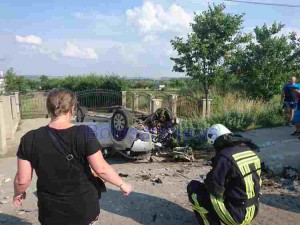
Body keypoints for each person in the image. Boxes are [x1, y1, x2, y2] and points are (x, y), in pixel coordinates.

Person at [13, 88, 132, 225]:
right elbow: (101, 168)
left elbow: (22, 180)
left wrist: (18, 193)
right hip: (83, 208)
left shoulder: (29, 138)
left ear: (48, 108)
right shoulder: (85, 132)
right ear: (73, 108)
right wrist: (122, 184)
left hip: (51, 211)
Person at [187, 124, 261, 225]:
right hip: (253, 210)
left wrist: (207, 180)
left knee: (194, 188)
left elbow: (214, 189)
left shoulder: (224, 156)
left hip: (236, 215)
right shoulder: (249, 151)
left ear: (217, 142)